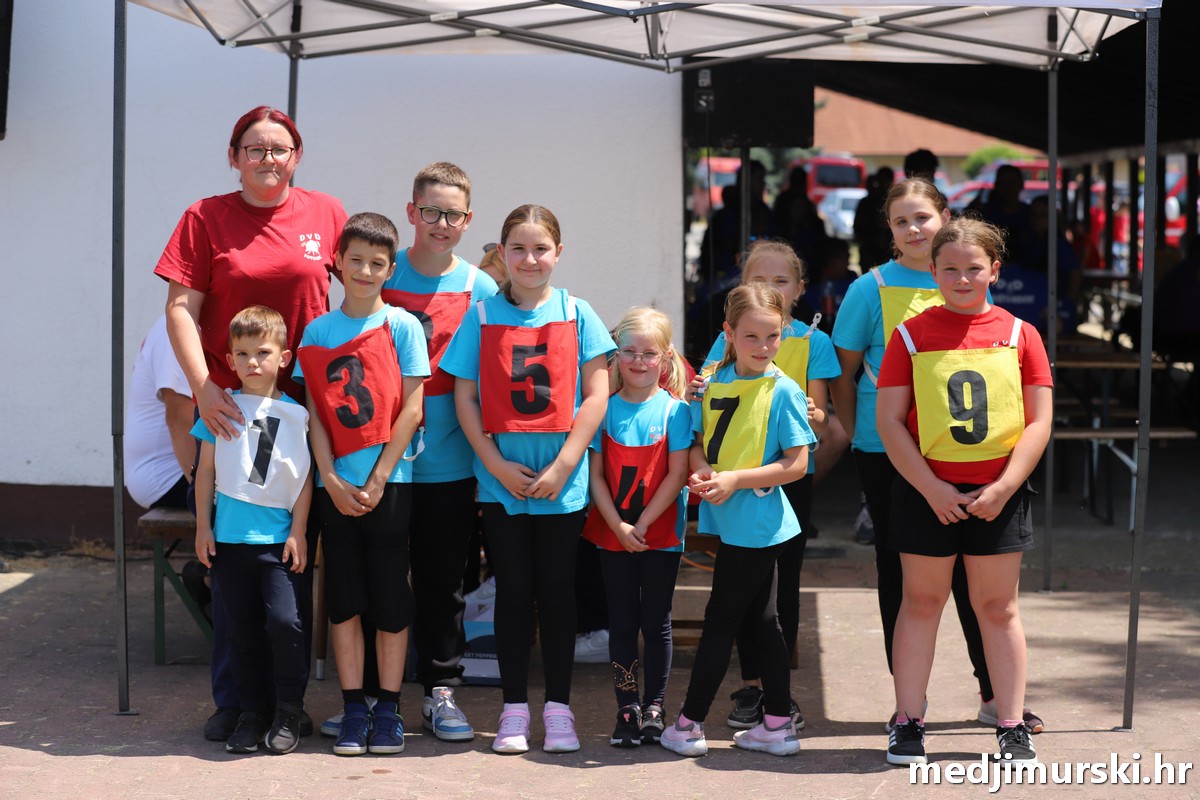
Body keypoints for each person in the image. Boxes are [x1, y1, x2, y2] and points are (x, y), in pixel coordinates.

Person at [155, 105, 347, 742]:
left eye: (280, 148)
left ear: (297, 156)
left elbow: (364, 290)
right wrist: (205, 387)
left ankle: (287, 703)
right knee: (232, 569)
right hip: (230, 413)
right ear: (234, 157)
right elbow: (180, 309)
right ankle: (236, 702)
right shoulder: (205, 217)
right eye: (255, 148)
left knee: (289, 569)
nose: (268, 158)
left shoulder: (327, 213)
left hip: (303, 415)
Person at [829, 179, 1044, 733]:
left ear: (945, 217)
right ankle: (909, 707)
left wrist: (1004, 482)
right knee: (909, 587)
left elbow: (1031, 412)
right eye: (900, 221)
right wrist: (855, 433)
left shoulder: (1002, 317)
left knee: (985, 590)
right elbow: (844, 373)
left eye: (921, 217)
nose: (912, 228)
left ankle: (997, 696)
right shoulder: (874, 291)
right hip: (897, 455)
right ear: (888, 229)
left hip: (982, 465)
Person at [876, 218, 1052, 766]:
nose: (961, 278)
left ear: (994, 270)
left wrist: (1005, 486)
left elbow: (1039, 421)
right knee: (921, 602)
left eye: (973, 268)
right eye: (949, 268)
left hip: (1000, 494)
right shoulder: (910, 335)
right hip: (927, 492)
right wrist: (931, 487)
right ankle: (908, 720)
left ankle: (1010, 724)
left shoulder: (1022, 334)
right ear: (932, 271)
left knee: (998, 608)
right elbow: (889, 421)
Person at [441, 204, 616, 755]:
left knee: (558, 593)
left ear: (558, 253)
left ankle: (558, 709)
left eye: (541, 248)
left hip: (562, 483)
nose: (530, 259)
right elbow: (465, 396)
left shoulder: (577, 313)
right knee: (514, 593)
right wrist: (493, 463)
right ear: (501, 253)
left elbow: (597, 394)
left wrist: (565, 464)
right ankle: (513, 709)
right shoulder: (481, 315)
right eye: (518, 248)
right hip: (504, 484)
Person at [295, 212, 429, 757]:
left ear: (391, 269)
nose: (365, 271)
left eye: (377, 263)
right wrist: (328, 476)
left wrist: (378, 477)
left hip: (390, 485)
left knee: (392, 598)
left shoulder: (403, 326)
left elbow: (413, 408)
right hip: (336, 488)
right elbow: (314, 413)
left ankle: (388, 709)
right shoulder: (318, 332)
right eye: (355, 261)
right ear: (337, 263)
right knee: (344, 600)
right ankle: (354, 708)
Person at [661, 283, 815, 759]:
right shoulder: (713, 382)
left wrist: (735, 480)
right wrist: (704, 469)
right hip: (732, 518)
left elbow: (797, 464)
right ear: (728, 333)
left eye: (772, 336)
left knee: (721, 620)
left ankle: (688, 723)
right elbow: (700, 443)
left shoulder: (784, 389)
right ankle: (777, 724)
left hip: (758, 524)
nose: (763, 346)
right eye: (751, 336)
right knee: (763, 622)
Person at [696, 240, 839, 732]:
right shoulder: (736, 334)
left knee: (781, 589)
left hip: (785, 475)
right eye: (760, 279)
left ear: (799, 289)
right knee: (741, 590)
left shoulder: (813, 341)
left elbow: (821, 416)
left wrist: (809, 413)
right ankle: (751, 687)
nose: (771, 288)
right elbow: (707, 384)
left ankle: (780, 695)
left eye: (781, 280)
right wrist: (695, 388)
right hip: (735, 475)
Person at [380, 162, 499, 743]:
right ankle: (374, 697)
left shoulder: (481, 288)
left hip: (450, 463)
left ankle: (440, 691)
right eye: (430, 210)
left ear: (468, 220)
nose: (441, 223)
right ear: (411, 212)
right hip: (381, 462)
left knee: (443, 584)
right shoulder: (382, 273)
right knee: (381, 580)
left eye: (452, 214)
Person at [192, 306, 314, 755]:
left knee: (285, 624)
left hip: (277, 544)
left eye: (263, 352)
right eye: (242, 354)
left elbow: (302, 478)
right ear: (229, 359)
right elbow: (205, 472)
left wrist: (298, 530)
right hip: (229, 542)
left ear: (284, 358)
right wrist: (203, 527)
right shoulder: (220, 407)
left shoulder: (296, 414)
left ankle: (288, 711)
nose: (252, 362)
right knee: (240, 633)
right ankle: (250, 713)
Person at [582, 307, 692, 748]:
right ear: (616, 356)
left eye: (649, 353)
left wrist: (642, 524)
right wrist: (619, 526)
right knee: (623, 621)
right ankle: (626, 706)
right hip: (614, 535)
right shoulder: (602, 410)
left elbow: (677, 474)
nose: (638, 361)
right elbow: (595, 476)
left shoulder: (676, 412)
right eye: (629, 351)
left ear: (665, 358)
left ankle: (655, 706)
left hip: (661, 536)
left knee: (656, 621)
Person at [124, 315, 194, 511]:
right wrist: (207, 497)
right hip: (169, 476)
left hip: (173, 469)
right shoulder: (179, 326)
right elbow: (181, 419)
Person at [854, 166, 896, 271]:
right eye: (881, 182)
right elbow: (858, 227)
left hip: (890, 249)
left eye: (887, 182)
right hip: (870, 248)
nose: (884, 186)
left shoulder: (894, 202)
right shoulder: (866, 203)